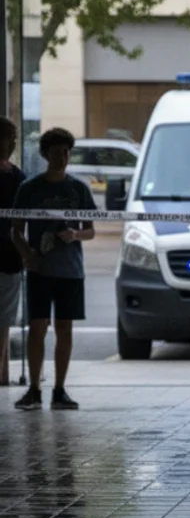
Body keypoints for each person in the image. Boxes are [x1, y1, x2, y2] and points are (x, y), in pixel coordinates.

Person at [11, 128, 95, 411]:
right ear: (46, 154)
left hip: (70, 270)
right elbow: (16, 230)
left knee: (65, 328)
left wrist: (75, 235)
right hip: (41, 270)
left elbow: (90, 231)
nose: (64, 157)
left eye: (67, 152)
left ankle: (59, 390)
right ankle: (34, 389)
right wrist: (28, 255)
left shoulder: (79, 189)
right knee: (37, 326)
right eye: (58, 152)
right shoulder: (30, 188)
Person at [0, 118, 23, 387]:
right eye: (9, 138)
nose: (13, 143)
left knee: (5, 320)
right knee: (4, 320)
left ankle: (3, 374)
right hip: (9, 256)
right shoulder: (15, 176)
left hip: (9, 257)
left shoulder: (16, 176)